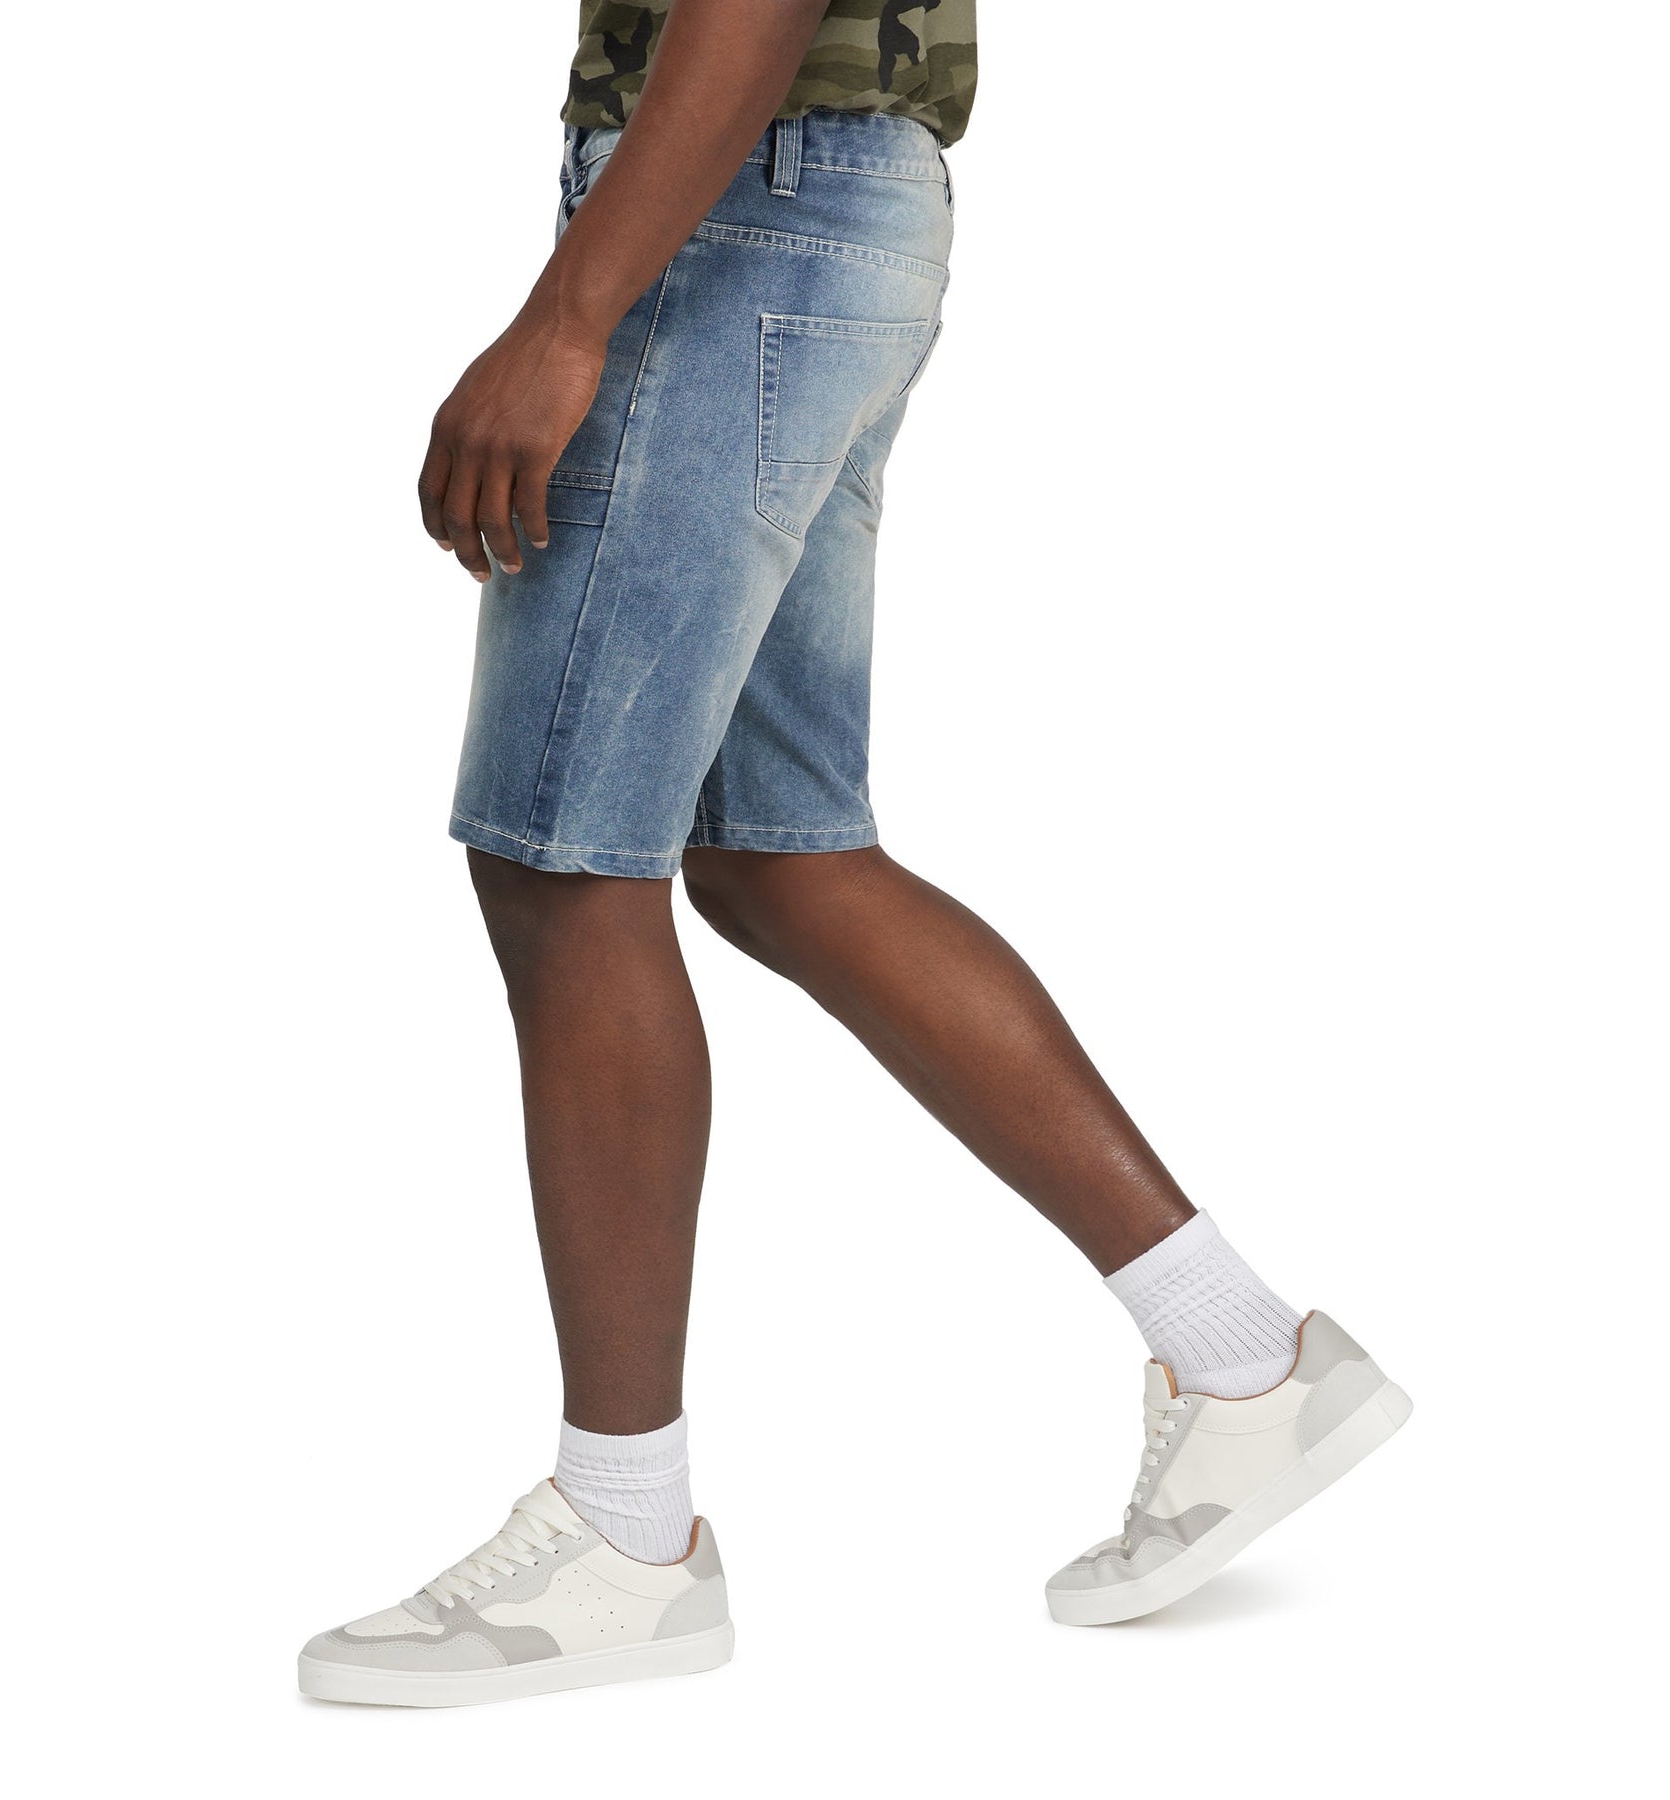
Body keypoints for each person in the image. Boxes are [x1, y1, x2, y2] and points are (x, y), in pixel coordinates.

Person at [298, 1, 1409, 1708]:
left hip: (731, 212)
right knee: (774, 849)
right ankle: (1241, 1356)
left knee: (566, 861)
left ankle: (624, 1537)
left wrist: (569, 315)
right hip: (806, 204)